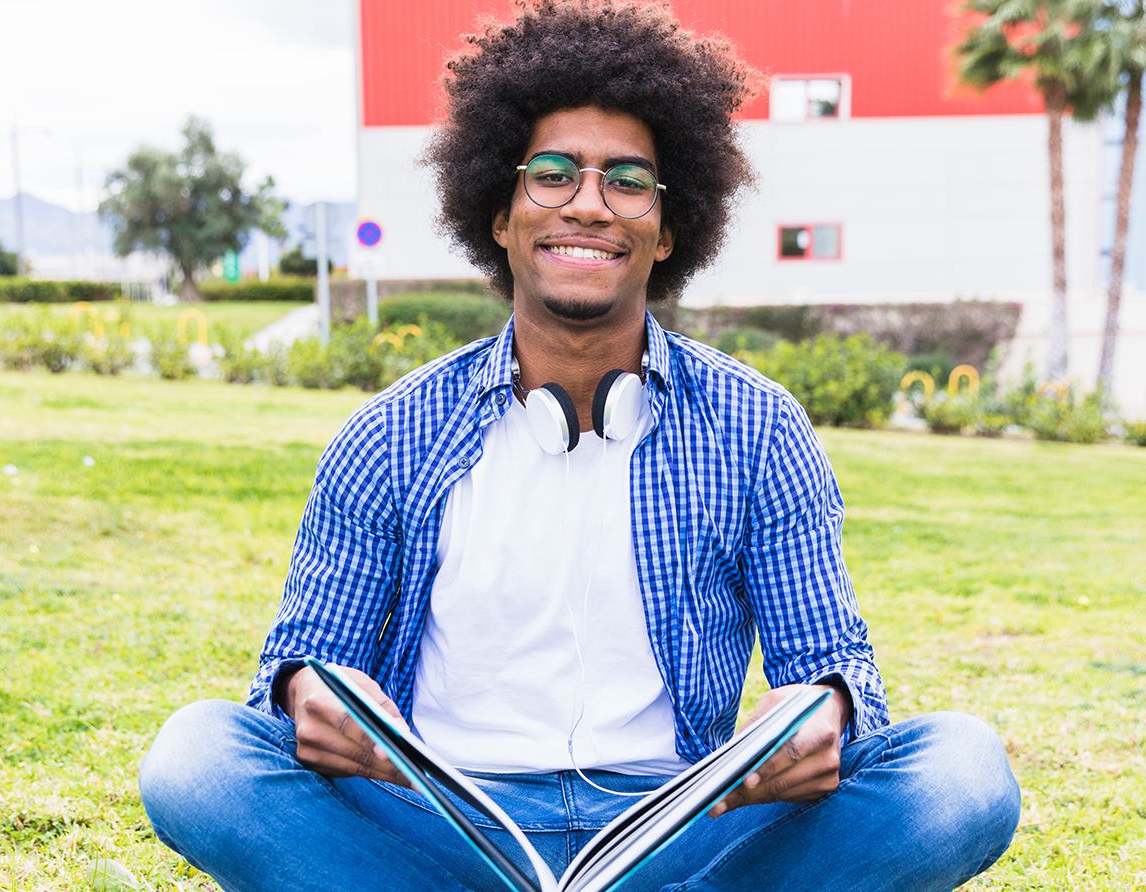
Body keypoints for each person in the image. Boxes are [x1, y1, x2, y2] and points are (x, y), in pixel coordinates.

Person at [139, 2, 1020, 890]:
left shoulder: (758, 427)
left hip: (673, 826)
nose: (589, 205)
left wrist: (821, 710)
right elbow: (294, 670)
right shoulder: (388, 433)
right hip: (445, 827)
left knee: (961, 772)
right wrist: (312, 694)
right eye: (552, 174)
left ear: (669, 229)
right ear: (500, 213)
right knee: (199, 755)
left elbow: (833, 664)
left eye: (628, 181)